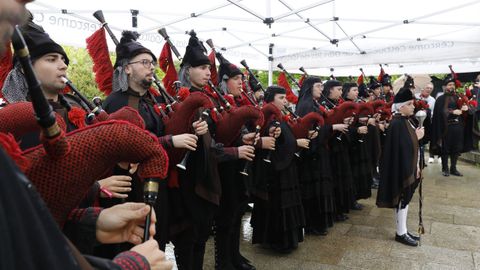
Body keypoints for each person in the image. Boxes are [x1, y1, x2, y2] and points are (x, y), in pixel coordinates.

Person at [251, 85, 306, 253]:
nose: (285, 101)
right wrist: (296, 143)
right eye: (281, 98)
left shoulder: (278, 117)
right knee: (278, 204)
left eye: (285, 97)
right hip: (276, 173)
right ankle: (278, 241)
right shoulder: (270, 118)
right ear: (271, 100)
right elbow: (274, 143)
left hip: (285, 169)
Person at [376, 87, 424, 247]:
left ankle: (402, 230)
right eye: (409, 104)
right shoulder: (397, 123)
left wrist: (415, 138)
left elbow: (406, 145)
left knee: (405, 200)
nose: (413, 106)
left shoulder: (405, 121)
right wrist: (416, 138)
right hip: (401, 170)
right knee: (403, 200)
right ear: (401, 106)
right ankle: (400, 233)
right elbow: (403, 148)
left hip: (407, 168)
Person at [296, 76, 336, 235]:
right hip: (312, 154)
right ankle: (313, 224)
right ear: (310, 87)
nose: (321, 89)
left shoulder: (313, 103)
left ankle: (318, 222)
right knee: (313, 189)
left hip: (319, 151)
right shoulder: (306, 105)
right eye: (318, 86)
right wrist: (333, 127)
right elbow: (310, 132)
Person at [430, 75, 474, 177]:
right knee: (445, 148)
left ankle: (453, 168)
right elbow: (440, 112)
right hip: (446, 128)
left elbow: (467, 111)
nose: (452, 86)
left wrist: (466, 108)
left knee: (456, 148)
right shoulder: (440, 99)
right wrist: (452, 111)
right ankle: (445, 169)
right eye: (449, 85)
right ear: (445, 87)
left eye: (453, 84)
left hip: (458, 126)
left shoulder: (458, 97)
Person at [415, 83, 438, 164]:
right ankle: (416, 160)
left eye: (431, 88)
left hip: (426, 123)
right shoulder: (415, 96)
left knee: (423, 143)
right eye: (427, 87)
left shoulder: (432, 100)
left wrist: (426, 112)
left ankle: (422, 160)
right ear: (423, 88)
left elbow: (433, 113)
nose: (429, 89)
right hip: (415, 122)